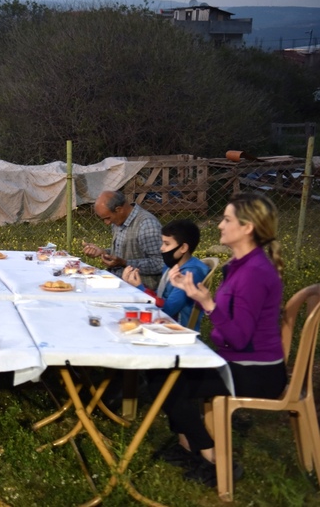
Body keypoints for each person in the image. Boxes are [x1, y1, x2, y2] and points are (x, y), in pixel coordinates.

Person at [151, 192, 286, 486]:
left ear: (247, 227)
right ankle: (189, 446)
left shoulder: (253, 272)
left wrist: (209, 304)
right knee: (160, 374)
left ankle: (213, 460)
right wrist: (195, 296)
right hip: (238, 361)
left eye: (226, 219)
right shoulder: (240, 265)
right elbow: (227, 314)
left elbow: (237, 337)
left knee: (170, 381)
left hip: (257, 372)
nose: (220, 225)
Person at [121, 219, 210, 327]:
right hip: (161, 321)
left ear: (183, 248)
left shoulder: (189, 274)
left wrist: (140, 288)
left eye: (166, 244)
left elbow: (167, 309)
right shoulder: (171, 266)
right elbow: (160, 297)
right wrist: (135, 286)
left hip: (176, 328)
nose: (161, 248)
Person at [82, 190, 163, 289]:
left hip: (140, 289)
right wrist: (102, 252)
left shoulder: (146, 224)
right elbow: (120, 253)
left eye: (107, 218)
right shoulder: (118, 220)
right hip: (117, 281)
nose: (107, 223)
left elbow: (160, 264)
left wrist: (125, 263)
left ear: (119, 209)